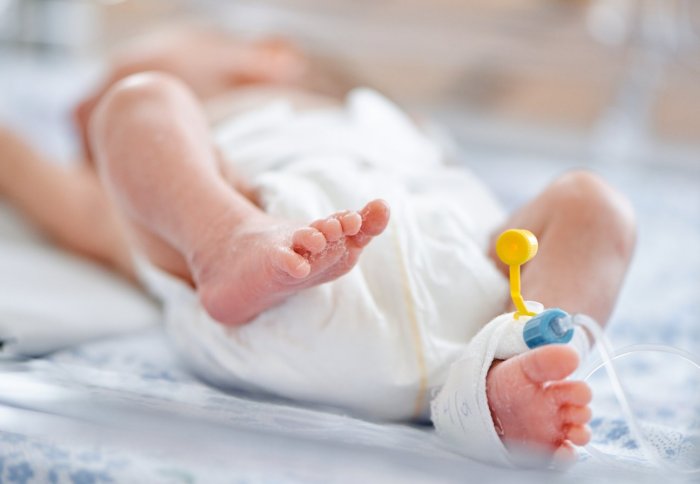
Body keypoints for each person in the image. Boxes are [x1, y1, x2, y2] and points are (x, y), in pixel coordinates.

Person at [0, 26, 636, 466]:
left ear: (266, 57)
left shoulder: (394, 127)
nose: (76, 114)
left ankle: (508, 373)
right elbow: (69, 199)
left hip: (468, 307)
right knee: (140, 106)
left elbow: (479, 211)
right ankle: (223, 241)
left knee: (592, 202)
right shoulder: (193, 162)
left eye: (111, 71)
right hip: (266, 299)